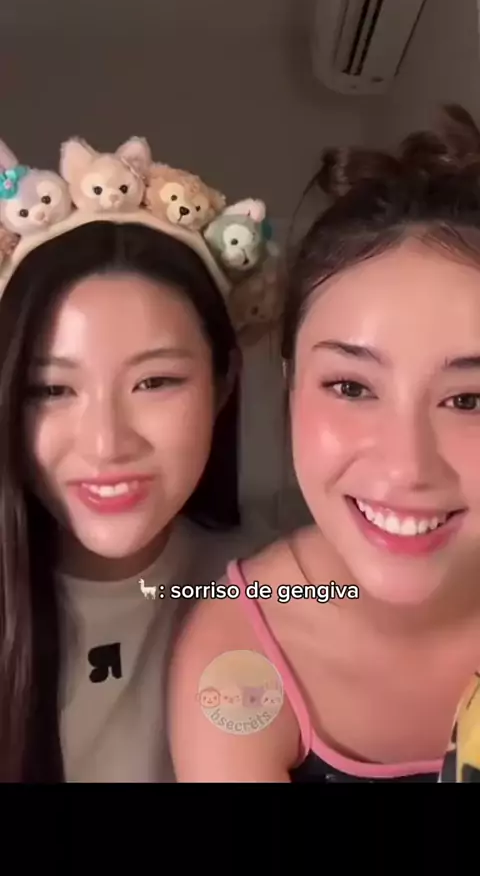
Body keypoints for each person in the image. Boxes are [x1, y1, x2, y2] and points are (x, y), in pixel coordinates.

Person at [169, 104, 480, 783]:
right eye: (351, 387)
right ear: (290, 383)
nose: (407, 466)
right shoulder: (242, 655)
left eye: (469, 401)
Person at [0, 134, 280, 783]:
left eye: (154, 382)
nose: (106, 444)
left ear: (223, 383)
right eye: (51, 390)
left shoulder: (279, 589)